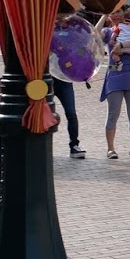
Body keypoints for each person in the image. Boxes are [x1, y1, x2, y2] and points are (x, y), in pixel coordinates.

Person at [99, 6, 130, 159]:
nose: (117, 15)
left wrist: (121, 46)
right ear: (109, 17)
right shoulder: (108, 32)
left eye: (119, 12)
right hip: (115, 74)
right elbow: (93, 35)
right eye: (113, 13)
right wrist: (103, 15)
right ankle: (110, 149)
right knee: (113, 113)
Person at [50, 9, 86, 160]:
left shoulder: (73, 34)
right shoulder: (49, 33)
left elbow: (84, 49)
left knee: (71, 113)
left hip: (65, 78)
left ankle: (74, 145)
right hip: (48, 77)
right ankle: (45, 145)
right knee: (45, 112)